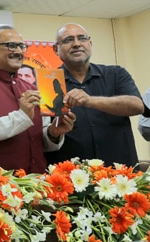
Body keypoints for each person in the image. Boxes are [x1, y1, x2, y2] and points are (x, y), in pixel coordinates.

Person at [0, 26, 74, 173]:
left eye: (21, 46)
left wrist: (53, 133)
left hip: (37, 183)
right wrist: (21, 116)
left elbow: (41, 142)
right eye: (11, 46)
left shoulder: (33, 88)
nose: (19, 52)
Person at [44, 23, 144, 166]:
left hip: (122, 176)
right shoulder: (47, 83)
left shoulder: (116, 74)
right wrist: (54, 133)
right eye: (68, 40)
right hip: (71, 180)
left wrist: (89, 100)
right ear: (56, 49)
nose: (77, 44)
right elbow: (42, 137)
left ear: (90, 43)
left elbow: (137, 106)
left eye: (82, 38)